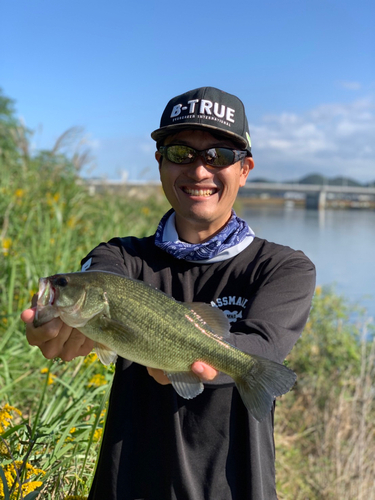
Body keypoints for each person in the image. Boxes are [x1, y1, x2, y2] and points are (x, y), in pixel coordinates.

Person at [22, 86, 316, 500]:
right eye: (181, 153)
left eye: (219, 156)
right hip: (127, 483)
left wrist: (188, 357)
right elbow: (99, 281)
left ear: (245, 169)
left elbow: (262, 350)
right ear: (160, 162)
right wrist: (61, 330)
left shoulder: (284, 268)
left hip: (235, 486)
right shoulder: (118, 256)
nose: (199, 171)